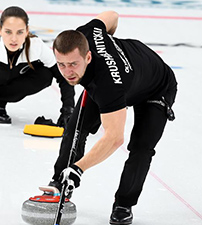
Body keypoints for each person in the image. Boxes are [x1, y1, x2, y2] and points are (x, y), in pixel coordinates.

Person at [44, 11, 177, 224]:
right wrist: (110, 45)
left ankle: (123, 204)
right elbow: (112, 15)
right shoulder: (87, 32)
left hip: (156, 87)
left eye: (73, 64)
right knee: (75, 128)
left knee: (141, 148)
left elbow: (114, 138)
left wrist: (79, 168)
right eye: (62, 64)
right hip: (125, 76)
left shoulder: (109, 85)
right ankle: (60, 182)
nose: (68, 72)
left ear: (88, 57)